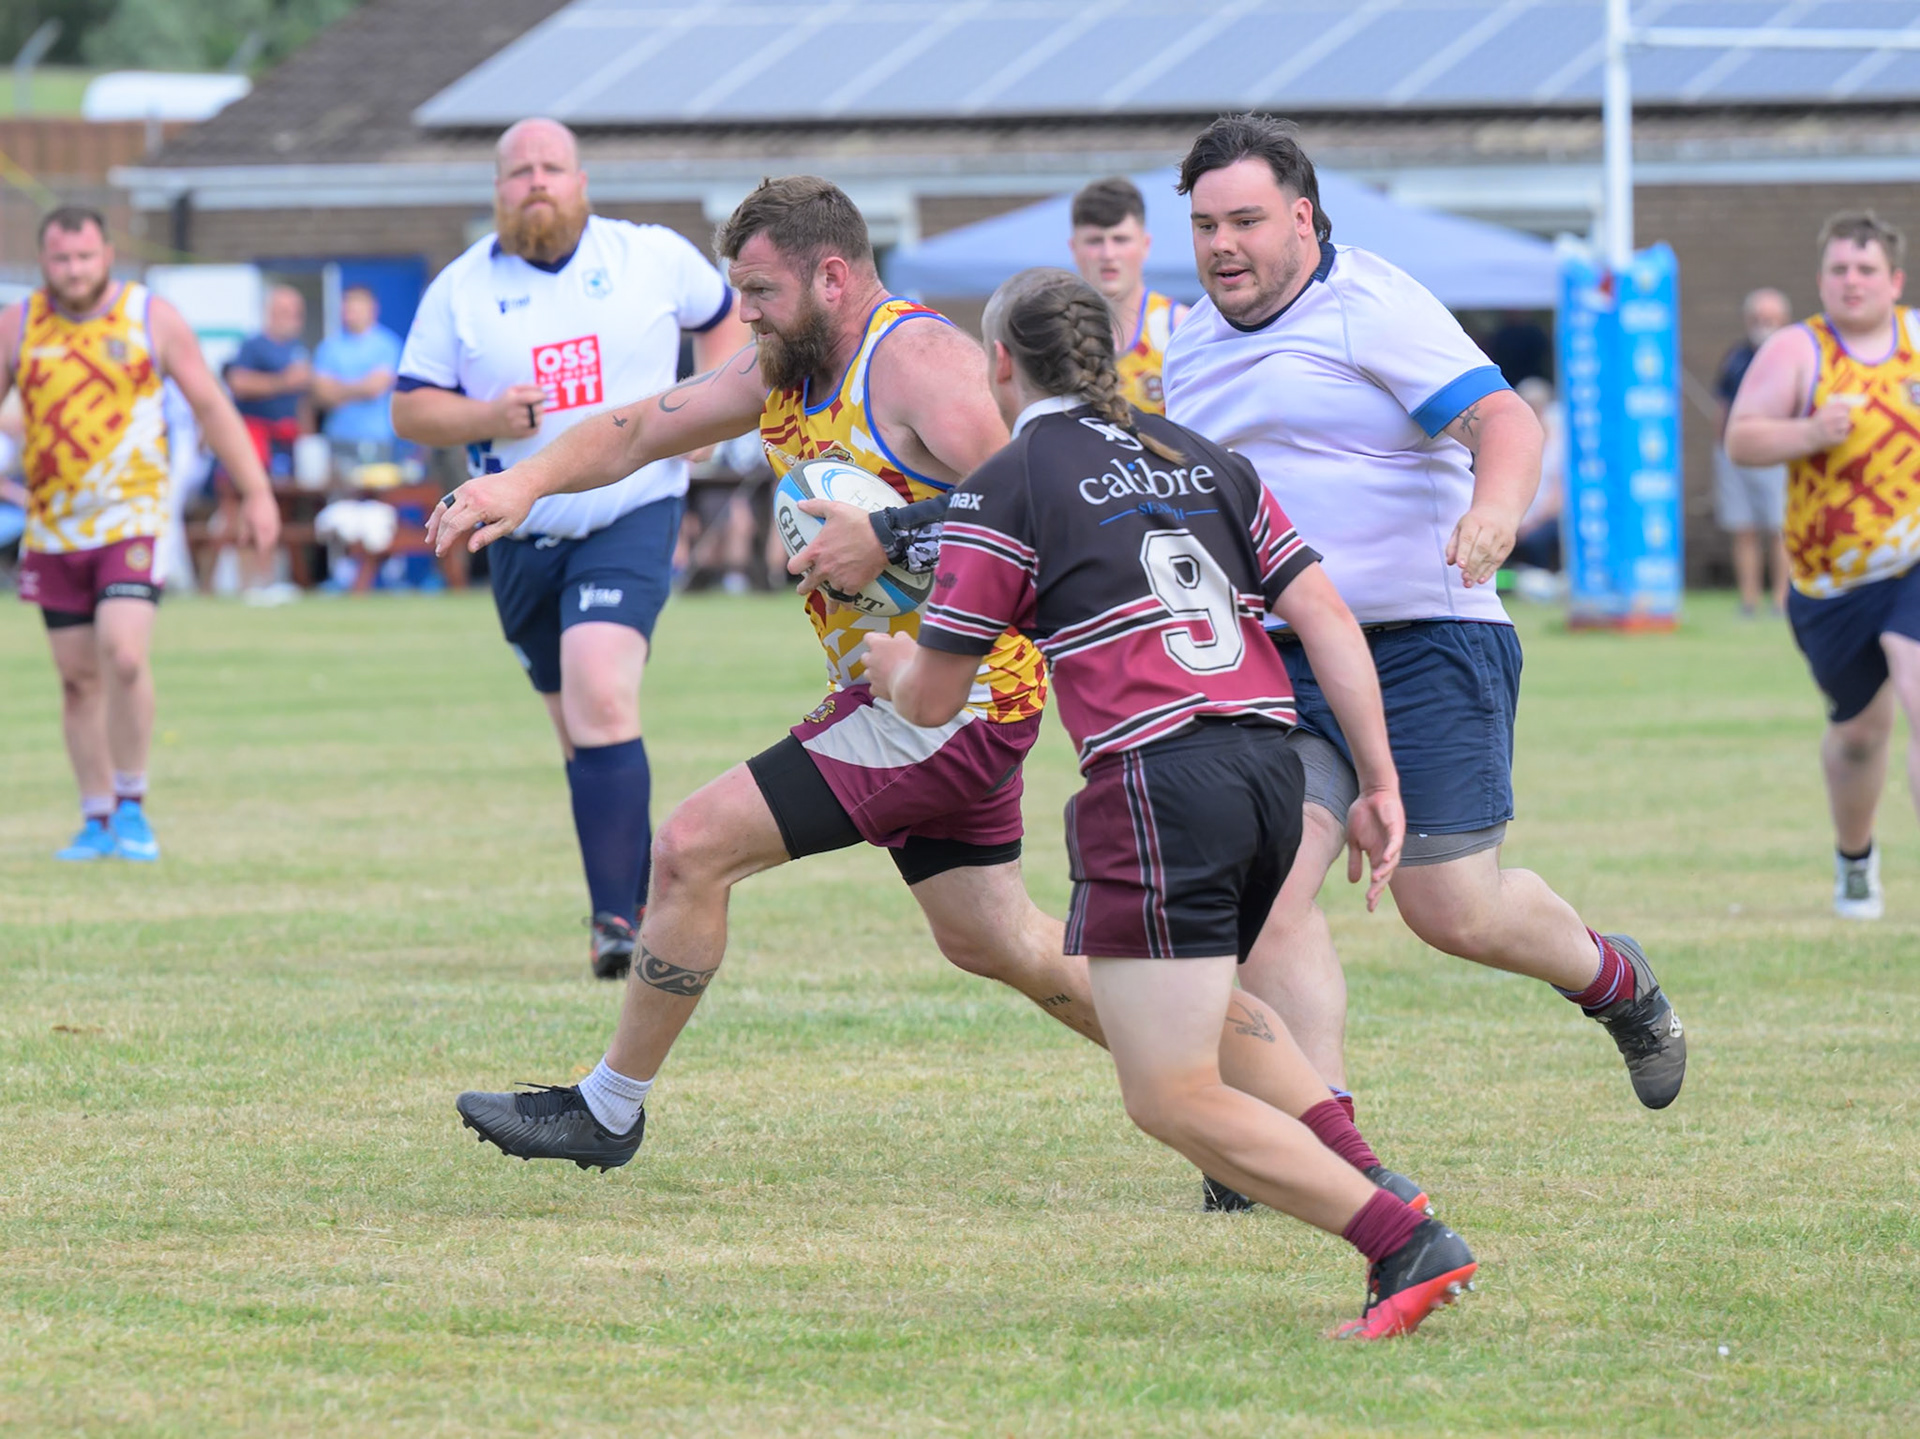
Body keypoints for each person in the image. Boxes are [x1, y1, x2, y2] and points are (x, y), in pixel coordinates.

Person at [435, 178, 1432, 1226]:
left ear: (832, 276)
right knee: (1005, 943)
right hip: (916, 695)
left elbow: (1056, 490)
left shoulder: (918, 363)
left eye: (762, 291)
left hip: (951, 700)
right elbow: (644, 424)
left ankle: (608, 1108)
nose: (746, 312)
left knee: (690, 847)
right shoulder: (783, 361)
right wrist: (520, 484)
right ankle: (1278, 1127)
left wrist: (890, 536)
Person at [861, 266, 1476, 1340]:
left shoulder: (1009, 483)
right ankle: (1368, 1171)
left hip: (1158, 782)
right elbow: (1327, 619)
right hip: (1272, 766)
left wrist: (888, 662)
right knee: (1199, 1006)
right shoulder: (1204, 457)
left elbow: (932, 699)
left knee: (1169, 1093)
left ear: (1002, 364)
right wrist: (1379, 781)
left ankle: (1402, 1240)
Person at [1159, 117, 1686, 1178]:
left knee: (1453, 908)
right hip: (1284, 657)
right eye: (1207, 225)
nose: (1223, 245)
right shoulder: (1190, 344)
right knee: (1264, 894)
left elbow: (1506, 422)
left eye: (1246, 221)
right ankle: (1316, 1142)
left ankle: (1615, 979)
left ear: (1303, 218)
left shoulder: (1373, 302)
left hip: (1426, 640)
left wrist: (1494, 512)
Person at [392, 117, 748, 979]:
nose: (537, 182)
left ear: (582, 180)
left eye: (552, 167)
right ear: (498, 191)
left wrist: (711, 410)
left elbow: (726, 315)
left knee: (601, 693)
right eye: (519, 172)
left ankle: (616, 924)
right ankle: (638, 894)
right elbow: (409, 408)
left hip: (631, 512)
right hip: (516, 532)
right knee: (583, 730)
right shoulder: (461, 288)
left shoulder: (649, 255)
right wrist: (484, 416)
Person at [0, 207, 279, 860]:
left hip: (133, 516)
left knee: (123, 655)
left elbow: (211, 404)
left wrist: (257, 491)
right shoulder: (19, 325)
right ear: (43, 261)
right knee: (77, 679)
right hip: (54, 526)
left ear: (108, 255)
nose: (74, 271)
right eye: (61, 259)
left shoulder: (150, 316)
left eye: (85, 257)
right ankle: (95, 817)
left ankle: (131, 804)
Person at [1726, 212, 1920, 922]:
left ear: (1894, 280)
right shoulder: (1797, 350)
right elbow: (1741, 439)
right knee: (1860, 735)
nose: (1852, 281)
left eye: (1866, 269)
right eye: (1839, 269)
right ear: (1821, 279)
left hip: (1914, 560)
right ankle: (1855, 859)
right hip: (1831, 584)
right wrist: (1809, 431)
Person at [1068, 177, 1187, 414]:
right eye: (1094, 241)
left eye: (1120, 239)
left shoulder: (1181, 329)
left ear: (1146, 244)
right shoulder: (1056, 332)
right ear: (1074, 248)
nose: (1108, 254)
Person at [1714, 287, 1793, 616]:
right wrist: (1722, 444)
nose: (1763, 324)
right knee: (1743, 528)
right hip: (1735, 458)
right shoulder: (1736, 358)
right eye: (1758, 318)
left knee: (1780, 529)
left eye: (1770, 318)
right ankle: (1749, 600)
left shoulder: (1792, 357)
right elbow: (1722, 403)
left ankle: (1781, 599)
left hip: (1777, 455)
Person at [312, 285, 404, 461]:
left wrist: (338, 389)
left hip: (376, 439)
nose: (349, 309)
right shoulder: (329, 347)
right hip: (337, 438)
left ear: (372, 308)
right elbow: (322, 395)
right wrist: (361, 386)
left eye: (356, 304)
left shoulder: (387, 344)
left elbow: (375, 388)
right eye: (346, 304)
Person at [226, 284, 312, 470]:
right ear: (271, 313)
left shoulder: (299, 347)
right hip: (258, 440)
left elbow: (303, 399)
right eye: (286, 312)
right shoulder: (253, 346)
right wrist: (282, 382)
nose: (293, 318)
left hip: (290, 439)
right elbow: (238, 382)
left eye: (297, 313)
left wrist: (307, 438)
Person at [1506, 377, 1564, 584]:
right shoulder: (1512, 442)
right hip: (1519, 516)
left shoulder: (1559, 446)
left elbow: (1557, 499)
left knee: (1535, 540)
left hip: (1545, 518)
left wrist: (1529, 524)